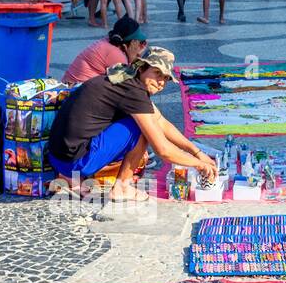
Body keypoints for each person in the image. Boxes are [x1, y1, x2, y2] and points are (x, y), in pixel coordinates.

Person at [47, 46, 217, 203]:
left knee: (147, 122)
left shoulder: (124, 76)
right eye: (157, 73)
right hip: (73, 162)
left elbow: (161, 121)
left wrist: (197, 152)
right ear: (142, 68)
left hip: (57, 157)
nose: (161, 82)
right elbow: (163, 150)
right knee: (142, 129)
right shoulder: (134, 92)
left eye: (165, 78)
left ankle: (72, 176)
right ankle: (122, 188)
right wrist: (199, 164)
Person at [63, 16, 147, 84]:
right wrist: (132, 56)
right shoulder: (115, 53)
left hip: (72, 85)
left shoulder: (109, 42)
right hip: (74, 92)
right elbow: (129, 82)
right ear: (132, 42)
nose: (142, 46)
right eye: (141, 42)